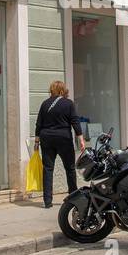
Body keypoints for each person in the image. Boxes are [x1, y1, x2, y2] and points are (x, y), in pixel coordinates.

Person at [34, 80, 85, 209]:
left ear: (52, 90)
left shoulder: (45, 104)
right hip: (63, 138)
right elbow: (75, 121)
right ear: (63, 90)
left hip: (46, 139)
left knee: (48, 169)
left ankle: (47, 201)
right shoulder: (68, 104)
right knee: (70, 168)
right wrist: (81, 139)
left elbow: (39, 123)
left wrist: (36, 141)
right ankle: (73, 196)